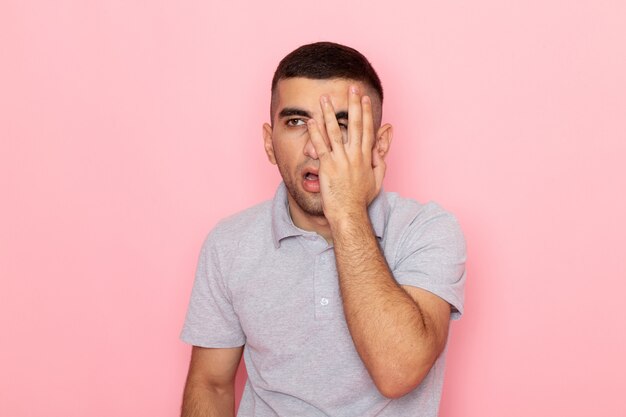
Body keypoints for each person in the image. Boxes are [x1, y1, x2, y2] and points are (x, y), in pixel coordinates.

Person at [180, 41, 466, 417]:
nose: (317, 147)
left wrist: (346, 209)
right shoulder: (229, 243)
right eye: (297, 123)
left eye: (341, 125)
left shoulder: (426, 230)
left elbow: (398, 372)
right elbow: (211, 384)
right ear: (269, 143)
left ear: (379, 145)